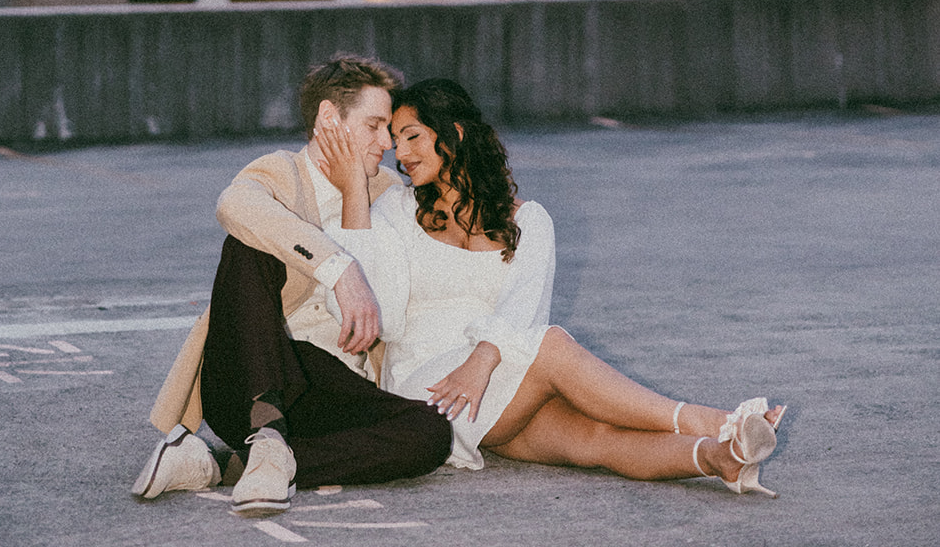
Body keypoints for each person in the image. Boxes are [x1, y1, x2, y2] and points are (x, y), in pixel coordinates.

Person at [316, 77, 787, 496]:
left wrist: (481, 360)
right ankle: (718, 421)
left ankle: (717, 458)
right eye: (395, 141)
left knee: (596, 441)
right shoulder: (396, 213)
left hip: (496, 375)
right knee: (553, 345)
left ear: (454, 133)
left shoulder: (529, 221)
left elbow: (526, 308)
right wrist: (355, 193)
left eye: (411, 137)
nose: (400, 153)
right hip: (431, 389)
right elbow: (382, 316)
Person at [131, 56, 452, 517]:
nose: (387, 143)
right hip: (247, 376)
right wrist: (340, 268)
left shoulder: (386, 191)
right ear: (328, 119)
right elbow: (234, 205)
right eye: (375, 125)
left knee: (430, 434)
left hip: (329, 388)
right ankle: (266, 428)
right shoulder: (281, 174)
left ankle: (229, 463)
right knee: (247, 245)